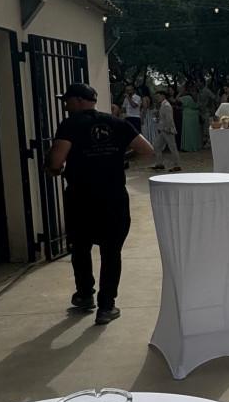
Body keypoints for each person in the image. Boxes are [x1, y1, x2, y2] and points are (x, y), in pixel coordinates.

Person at [45, 83, 153, 325]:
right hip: (113, 196)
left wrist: (53, 169)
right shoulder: (117, 123)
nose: (64, 105)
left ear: (79, 101)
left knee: (81, 248)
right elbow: (147, 150)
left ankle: (85, 295)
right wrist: (119, 158)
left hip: (81, 197)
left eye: (67, 100)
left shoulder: (70, 124)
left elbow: (56, 160)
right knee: (111, 252)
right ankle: (107, 306)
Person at [150, 89, 182, 172]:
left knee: (172, 147)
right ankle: (159, 164)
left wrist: (168, 128)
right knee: (157, 146)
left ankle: (177, 165)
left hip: (167, 129)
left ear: (163, 96)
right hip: (163, 129)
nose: (157, 98)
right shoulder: (163, 105)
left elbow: (169, 119)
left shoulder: (166, 105)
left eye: (158, 96)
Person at [178, 83, 201, 152]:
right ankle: (194, 146)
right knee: (194, 131)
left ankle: (188, 147)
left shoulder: (187, 97)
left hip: (188, 115)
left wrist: (180, 93)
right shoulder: (197, 96)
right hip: (195, 115)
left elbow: (176, 99)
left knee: (188, 131)